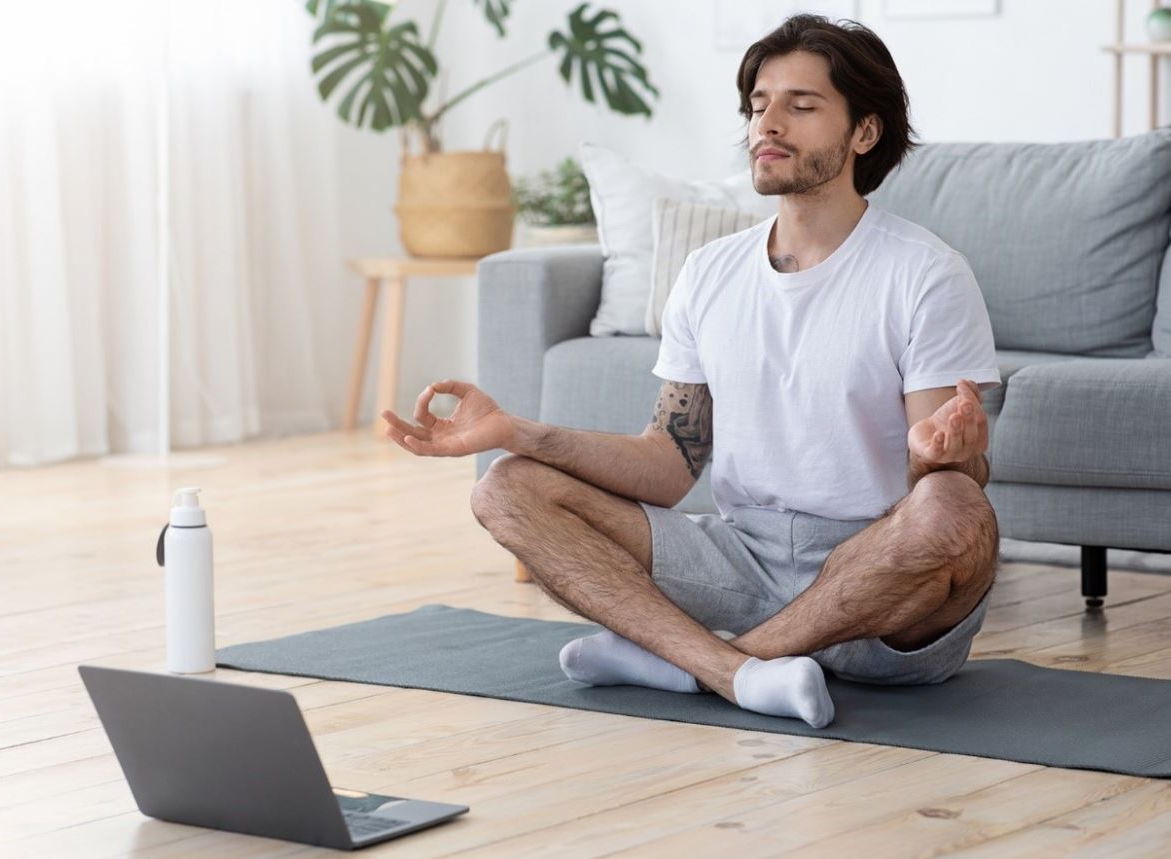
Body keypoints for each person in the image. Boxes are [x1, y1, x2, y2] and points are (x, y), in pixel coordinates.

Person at [380, 14, 1001, 729]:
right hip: (737, 560)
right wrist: (515, 430)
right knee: (507, 486)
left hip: (877, 593)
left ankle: (695, 663)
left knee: (956, 508)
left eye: (801, 106)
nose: (768, 123)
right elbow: (669, 463)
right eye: (759, 104)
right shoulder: (709, 272)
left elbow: (945, 489)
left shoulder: (925, 272)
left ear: (864, 133)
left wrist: (940, 458)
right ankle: (738, 670)